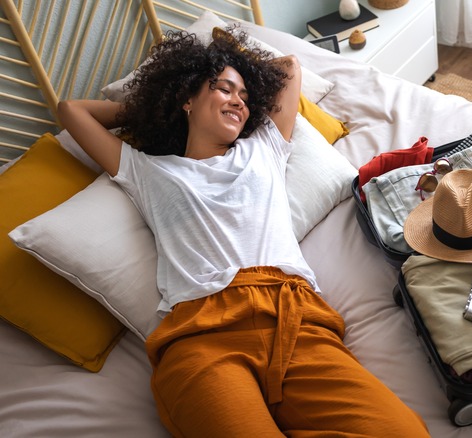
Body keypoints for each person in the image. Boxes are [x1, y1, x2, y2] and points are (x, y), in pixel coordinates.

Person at [58, 27, 429, 437]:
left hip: (295, 318)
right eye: (224, 89)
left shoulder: (264, 147)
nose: (239, 101)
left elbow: (289, 67)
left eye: (245, 97)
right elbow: (71, 109)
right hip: (203, 333)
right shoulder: (147, 170)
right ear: (186, 98)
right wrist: (153, 108)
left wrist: (233, 69)